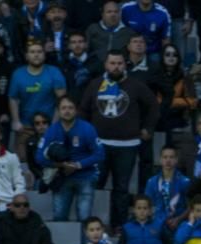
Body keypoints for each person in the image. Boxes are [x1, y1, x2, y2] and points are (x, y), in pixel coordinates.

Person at [81, 49, 159, 229]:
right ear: (105, 65)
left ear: (125, 64)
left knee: (121, 189)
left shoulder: (136, 85)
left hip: (127, 145)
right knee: (96, 186)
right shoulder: (95, 85)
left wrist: (148, 128)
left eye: (119, 63)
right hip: (99, 145)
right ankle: (94, 226)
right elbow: (83, 110)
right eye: (112, 63)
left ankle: (119, 226)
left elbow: (153, 106)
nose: (116, 67)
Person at [36, 96, 103, 222]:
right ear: (58, 111)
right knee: (59, 217)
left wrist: (78, 165)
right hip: (62, 178)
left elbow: (100, 154)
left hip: (85, 176)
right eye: (64, 108)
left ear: (76, 110)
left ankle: (85, 243)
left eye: (70, 108)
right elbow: (39, 157)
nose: (67, 111)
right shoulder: (52, 130)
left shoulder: (87, 128)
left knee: (85, 219)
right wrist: (59, 165)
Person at [8, 42, 66, 161]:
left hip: (48, 125)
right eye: (32, 52)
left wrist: (54, 125)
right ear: (26, 56)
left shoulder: (54, 72)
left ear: (44, 55)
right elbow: (13, 98)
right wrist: (16, 121)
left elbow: (61, 100)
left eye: (39, 52)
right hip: (25, 126)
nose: (36, 55)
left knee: (50, 160)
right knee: (22, 161)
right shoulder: (18, 74)